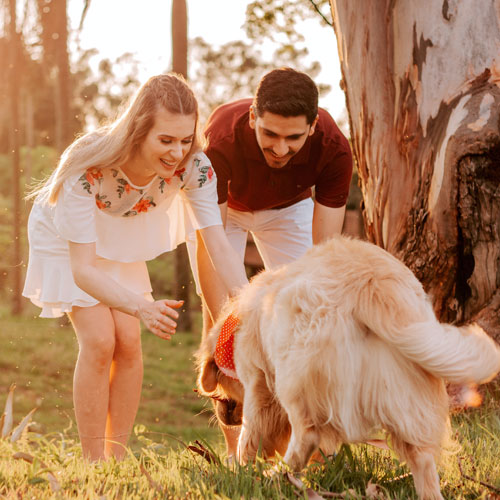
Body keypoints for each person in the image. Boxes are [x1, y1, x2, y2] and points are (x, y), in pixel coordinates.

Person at [23, 73, 248, 462]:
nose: (177, 152)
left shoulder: (195, 168)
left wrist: (250, 305)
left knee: (129, 341)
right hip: (70, 240)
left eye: (184, 139)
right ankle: (94, 462)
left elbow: (217, 243)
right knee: (100, 339)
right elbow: (83, 270)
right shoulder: (88, 165)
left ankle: (117, 455)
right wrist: (143, 306)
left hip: (121, 234)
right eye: (165, 140)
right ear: (138, 130)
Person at [191, 67, 353, 457]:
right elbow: (213, 234)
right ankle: (238, 454)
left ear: (313, 127)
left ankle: (308, 443)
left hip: (287, 209)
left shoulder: (335, 149)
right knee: (225, 325)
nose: (281, 148)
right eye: (270, 135)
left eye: (294, 137)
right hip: (224, 214)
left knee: (305, 319)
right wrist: (238, 313)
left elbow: (323, 256)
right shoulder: (223, 138)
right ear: (253, 119)